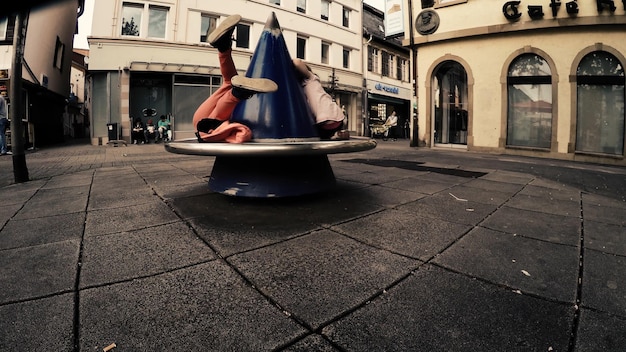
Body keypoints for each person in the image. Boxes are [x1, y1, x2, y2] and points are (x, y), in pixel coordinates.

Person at [193, 14, 278, 143]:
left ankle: (237, 91)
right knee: (228, 83)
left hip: (207, 126)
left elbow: (243, 135)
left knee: (230, 87)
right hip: (202, 122)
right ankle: (223, 48)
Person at [292, 58, 347, 140]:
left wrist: (286, 61)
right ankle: (337, 134)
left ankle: (338, 134)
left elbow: (297, 62)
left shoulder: (310, 78)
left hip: (331, 119)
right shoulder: (301, 89)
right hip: (326, 124)